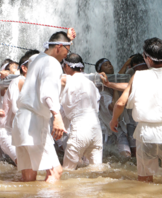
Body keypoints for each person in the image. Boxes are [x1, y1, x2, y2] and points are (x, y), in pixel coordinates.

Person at [12, 28, 76, 183]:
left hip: (21, 122)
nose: (68, 54)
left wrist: (68, 40)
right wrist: (57, 116)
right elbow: (47, 92)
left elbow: (50, 50)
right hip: (34, 123)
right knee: (55, 172)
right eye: (67, 49)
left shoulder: (36, 59)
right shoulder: (53, 63)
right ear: (59, 47)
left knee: (28, 177)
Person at [110, 38, 162, 183]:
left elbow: (120, 103)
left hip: (146, 133)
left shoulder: (138, 76)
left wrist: (114, 120)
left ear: (146, 57)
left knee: (145, 179)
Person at [61, 54, 102, 170]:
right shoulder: (91, 84)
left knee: (67, 171)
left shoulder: (67, 79)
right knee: (97, 171)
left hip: (80, 128)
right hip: (96, 130)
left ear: (67, 66)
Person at [0, 50, 39, 164]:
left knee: (30, 168)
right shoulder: (17, 82)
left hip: (23, 132)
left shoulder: (33, 83)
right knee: (24, 165)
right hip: (7, 132)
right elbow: (17, 110)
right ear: (24, 68)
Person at [95, 59, 133, 157]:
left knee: (124, 156)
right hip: (106, 129)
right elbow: (113, 105)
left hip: (117, 129)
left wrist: (125, 65)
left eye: (110, 63)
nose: (110, 66)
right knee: (120, 156)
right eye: (106, 65)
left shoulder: (111, 85)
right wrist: (114, 87)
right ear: (100, 71)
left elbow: (117, 79)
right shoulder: (101, 91)